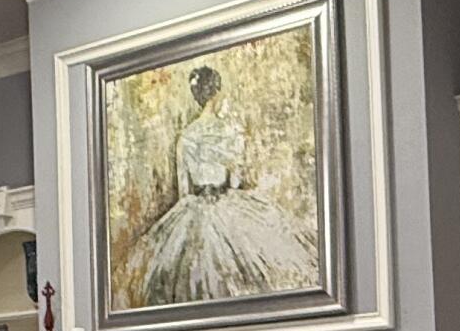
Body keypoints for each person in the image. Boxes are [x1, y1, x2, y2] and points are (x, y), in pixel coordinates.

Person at [115, 64, 318, 307]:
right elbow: (235, 180)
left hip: (194, 208)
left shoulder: (187, 136)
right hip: (227, 204)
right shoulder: (231, 133)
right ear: (217, 92)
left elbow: (183, 189)